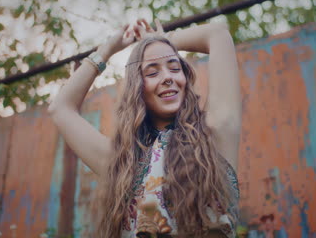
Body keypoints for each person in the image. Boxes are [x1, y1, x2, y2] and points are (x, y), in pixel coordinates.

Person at [48, 18, 242, 238]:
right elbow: (60, 108)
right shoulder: (123, 165)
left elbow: (217, 34)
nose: (168, 77)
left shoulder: (215, 136)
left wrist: (160, 41)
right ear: (137, 89)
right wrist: (108, 49)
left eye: (174, 67)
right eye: (152, 72)